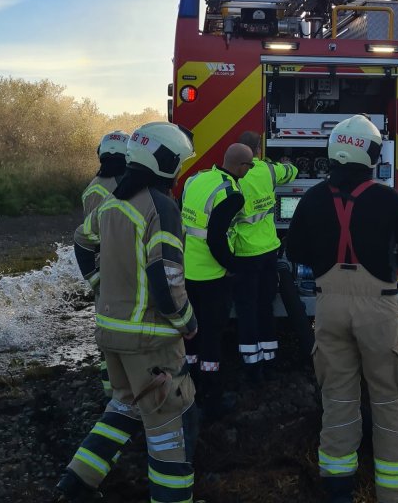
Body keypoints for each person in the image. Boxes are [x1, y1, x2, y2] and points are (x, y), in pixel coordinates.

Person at [286, 115, 398, 503]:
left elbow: (294, 250)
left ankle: (338, 486)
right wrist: (388, 256)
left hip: (329, 306)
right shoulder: (387, 198)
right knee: (389, 399)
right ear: (372, 154)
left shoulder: (313, 198)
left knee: (337, 398)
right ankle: (394, 491)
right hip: (377, 308)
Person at [56, 122, 199, 503]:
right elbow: (166, 278)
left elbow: (82, 239)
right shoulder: (161, 207)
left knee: (124, 408)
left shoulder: (113, 202)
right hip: (150, 341)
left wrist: (98, 282)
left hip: (112, 334)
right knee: (172, 427)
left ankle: (76, 483)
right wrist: (187, 321)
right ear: (167, 162)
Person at [181, 142, 255, 419]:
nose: (250, 169)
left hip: (188, 270)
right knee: (212, 337)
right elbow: (215, 239)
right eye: (250, 165)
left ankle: (188, 386)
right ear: (241, 166)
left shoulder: (197, 179)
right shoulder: (232, 195)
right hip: (212, 276)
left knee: (191, 332)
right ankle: (211, 396)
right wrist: (233, 266)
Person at [231, 131, 298, 383]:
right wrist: (287, 162)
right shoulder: (269, 170)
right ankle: (270, 360)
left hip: (244, 254)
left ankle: (252, 366)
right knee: (265, 306)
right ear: (258, 150)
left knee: (246, 309)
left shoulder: (233, 175)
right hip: (269, 252)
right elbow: (291, 172)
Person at [78, 129, 130, 397]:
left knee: (107, 330)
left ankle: (111, 392)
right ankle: (121, 390)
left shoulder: (93, 186)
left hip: (103, 267)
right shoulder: (120, 187)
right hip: (117, 265)